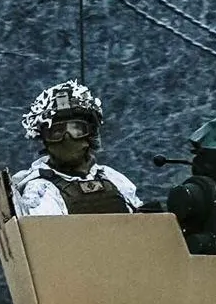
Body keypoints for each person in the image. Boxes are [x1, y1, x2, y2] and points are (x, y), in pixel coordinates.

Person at [11, 81, 142, 216]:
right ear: (45, 140)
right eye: (57, 132)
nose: (68, 138)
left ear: (90, 133)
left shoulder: (112, 178)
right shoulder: (39, 191)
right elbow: (47, 233)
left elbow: (143, 223)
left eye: (76, 129)